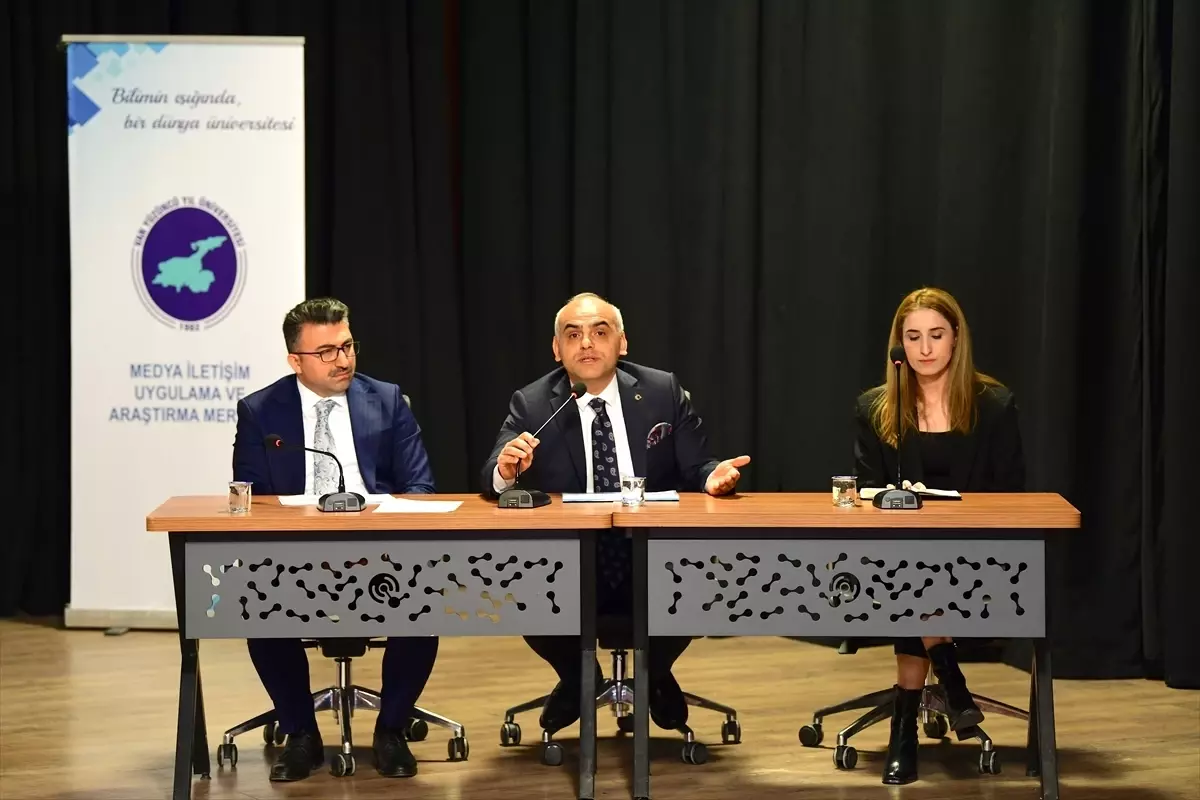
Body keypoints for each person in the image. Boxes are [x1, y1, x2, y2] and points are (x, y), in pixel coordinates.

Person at [481, 292, 750, 735]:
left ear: (622, 343)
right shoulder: (533, 403)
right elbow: (493, 472)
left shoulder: (661, 391)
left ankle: (653, 674)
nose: (586, 343)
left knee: (695, 577)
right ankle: (577, 678)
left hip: (650, 551)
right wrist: (506, 470)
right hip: (570, 558)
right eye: (573, 335)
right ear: (557, 349)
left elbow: (698, 465)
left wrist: (712, 478)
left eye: (600, 332)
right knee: (522, 581)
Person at [232, 297, 438, 782]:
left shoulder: (386, 400)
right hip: (294, 554)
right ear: (295, 361)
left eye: (347, 346)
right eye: (326, 352)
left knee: (424, 599)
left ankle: (391, 729)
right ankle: (301, 734)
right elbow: (251, 496)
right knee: (260, 603)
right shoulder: (261, 411)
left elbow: (421, 486)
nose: (343, 360)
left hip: (380, 551)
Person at [854, 287, 1026, 785]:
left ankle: (906, 725)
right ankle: (951, 680)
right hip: (895, 557)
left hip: (978, 555)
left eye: (936, 335)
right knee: (915, 566)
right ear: (899, 344)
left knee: (922, 572)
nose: (925, 348)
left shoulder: (994, 405)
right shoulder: (875, 408)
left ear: (956, 339)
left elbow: (1012, 493)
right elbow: (866, 491)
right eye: (913, 337)